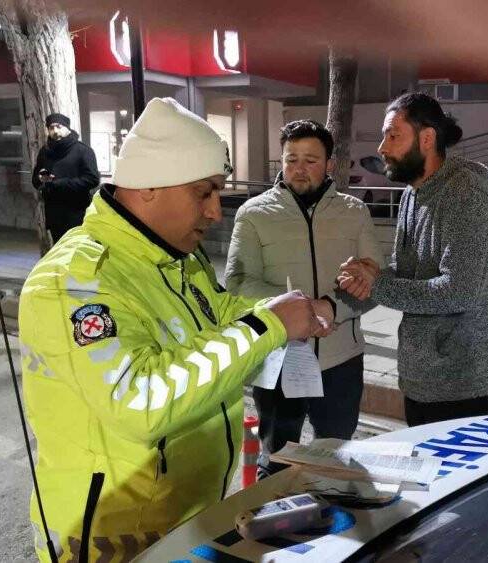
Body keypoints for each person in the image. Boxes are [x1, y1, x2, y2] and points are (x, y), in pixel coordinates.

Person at [18, 98, 331, 562]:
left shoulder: (173, 256)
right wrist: (268, 324)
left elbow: (218, 311)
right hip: (111, 537)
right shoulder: (74, 281)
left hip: (187, 515)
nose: (214, 212)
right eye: (202, 192)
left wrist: (285, 309)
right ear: (148, 187)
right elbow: (140, 401)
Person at [225, 119, 384, 476]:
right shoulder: (253, 214)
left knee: (337, 454)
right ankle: (275, 526)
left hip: (340, 357)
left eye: (310, 160)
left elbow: (374, 280)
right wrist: (298, 309)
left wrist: (330, 308)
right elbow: (236, 284)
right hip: (278, 356)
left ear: (329, 163)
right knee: (278, 458)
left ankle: (332, 524)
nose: (299, 168)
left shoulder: (353, 213)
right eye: (291, 158)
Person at [338, 93, 488, 427]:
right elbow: (407, 270)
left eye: (393, 135)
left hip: (460, 387)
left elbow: (458, 291)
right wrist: (373, 275)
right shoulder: (414, 192)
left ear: (427, 139)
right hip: (421, 379)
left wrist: (379, 285)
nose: (382, 147)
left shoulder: (464, 194)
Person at [31, 113, 100, 243]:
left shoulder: (83, 151)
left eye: (59, 126)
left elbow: (92, 179)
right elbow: (35, 179)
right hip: (54, 215)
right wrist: (41, 179)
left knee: (77, 253)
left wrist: (61, 183)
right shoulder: (45, 152)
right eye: (51, 128)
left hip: (77, 214)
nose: (55, 131)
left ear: (67, 128)